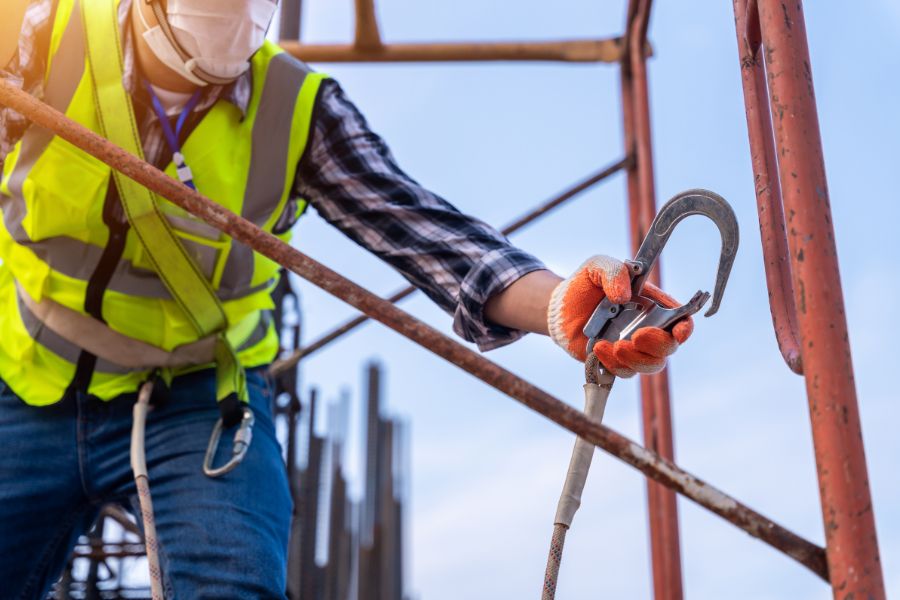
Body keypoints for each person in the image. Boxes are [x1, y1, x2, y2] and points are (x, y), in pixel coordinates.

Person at [0, 0, 693, 596]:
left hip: (199, 402)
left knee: (230, 582)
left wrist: (556, 305)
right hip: (29, 378)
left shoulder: (295, 110)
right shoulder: (38, 32)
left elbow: (430, 236)